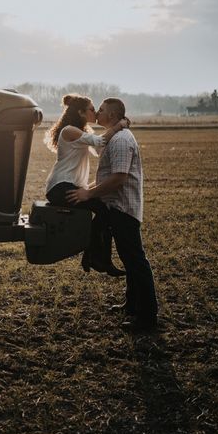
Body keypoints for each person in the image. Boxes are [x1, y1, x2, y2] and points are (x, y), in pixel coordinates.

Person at [67, 98, 158, 333]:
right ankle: (132, 306)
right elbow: (99, 149)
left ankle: (147, 318)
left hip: (123, 208)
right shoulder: (113, 137)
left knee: (135, 261)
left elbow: (119, 178)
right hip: (118, 207)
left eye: (102, 110)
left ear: (114, 114)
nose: (97, 112)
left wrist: (89, 195)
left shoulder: (121, 140)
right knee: (130, 259)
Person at [44, 94, 127, 276]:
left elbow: (98, 150)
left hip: (69, 185)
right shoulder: (70, 130)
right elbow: (100, 142)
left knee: (104, 211)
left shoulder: (82, 132)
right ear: (81, 112)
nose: (95, 112)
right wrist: (118, 126)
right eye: (91, 109)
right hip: (60, 187)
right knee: (104, 210)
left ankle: (96, 257)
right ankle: (96, 258)